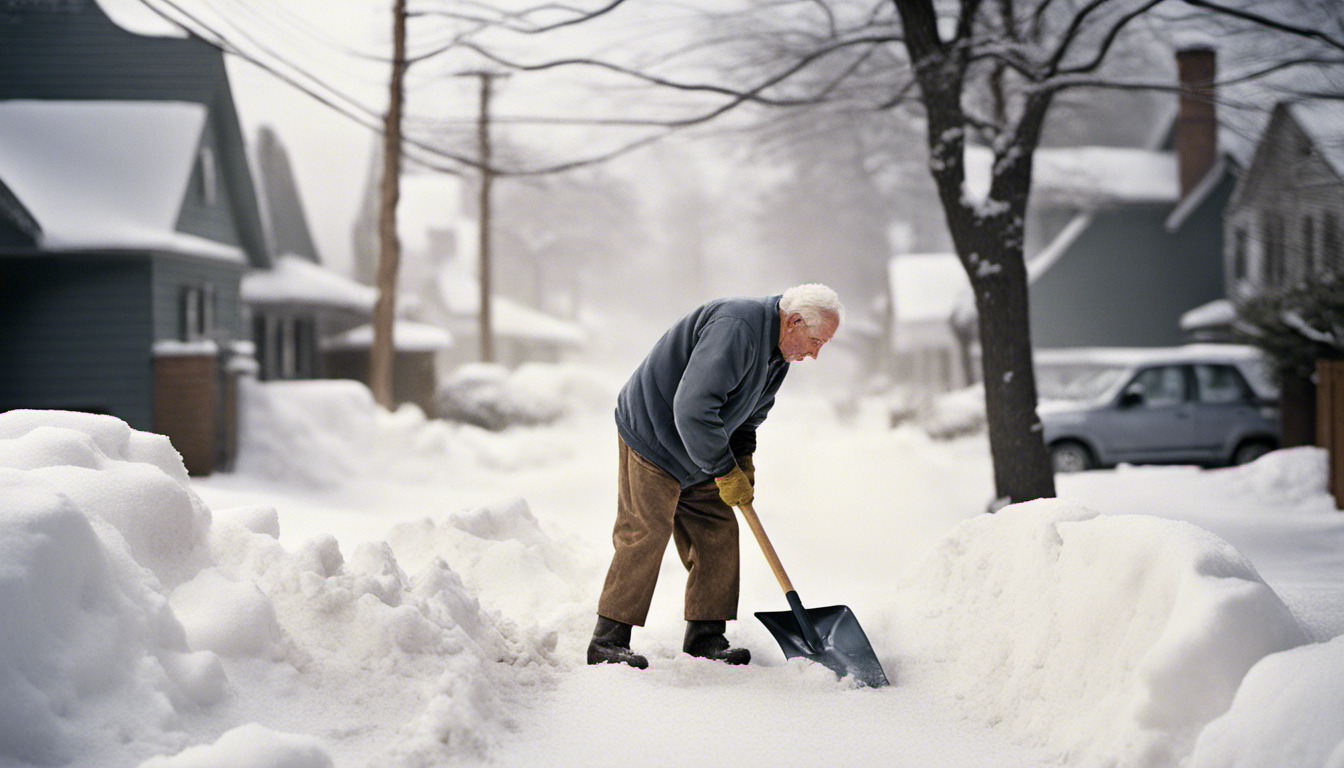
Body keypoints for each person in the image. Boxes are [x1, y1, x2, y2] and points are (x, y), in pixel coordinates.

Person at [588, 284, 844, 669]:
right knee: (645, 530)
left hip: (703, 442)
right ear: (792, 322)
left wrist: (742, 461)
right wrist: (724, 470)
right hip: (654, 433)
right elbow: (692, 408)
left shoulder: (779, 355)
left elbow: (749, 415)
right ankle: (608, 640)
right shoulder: (737, 328)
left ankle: (706, 636)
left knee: (717, 529)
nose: (814, 353)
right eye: (814, 341)